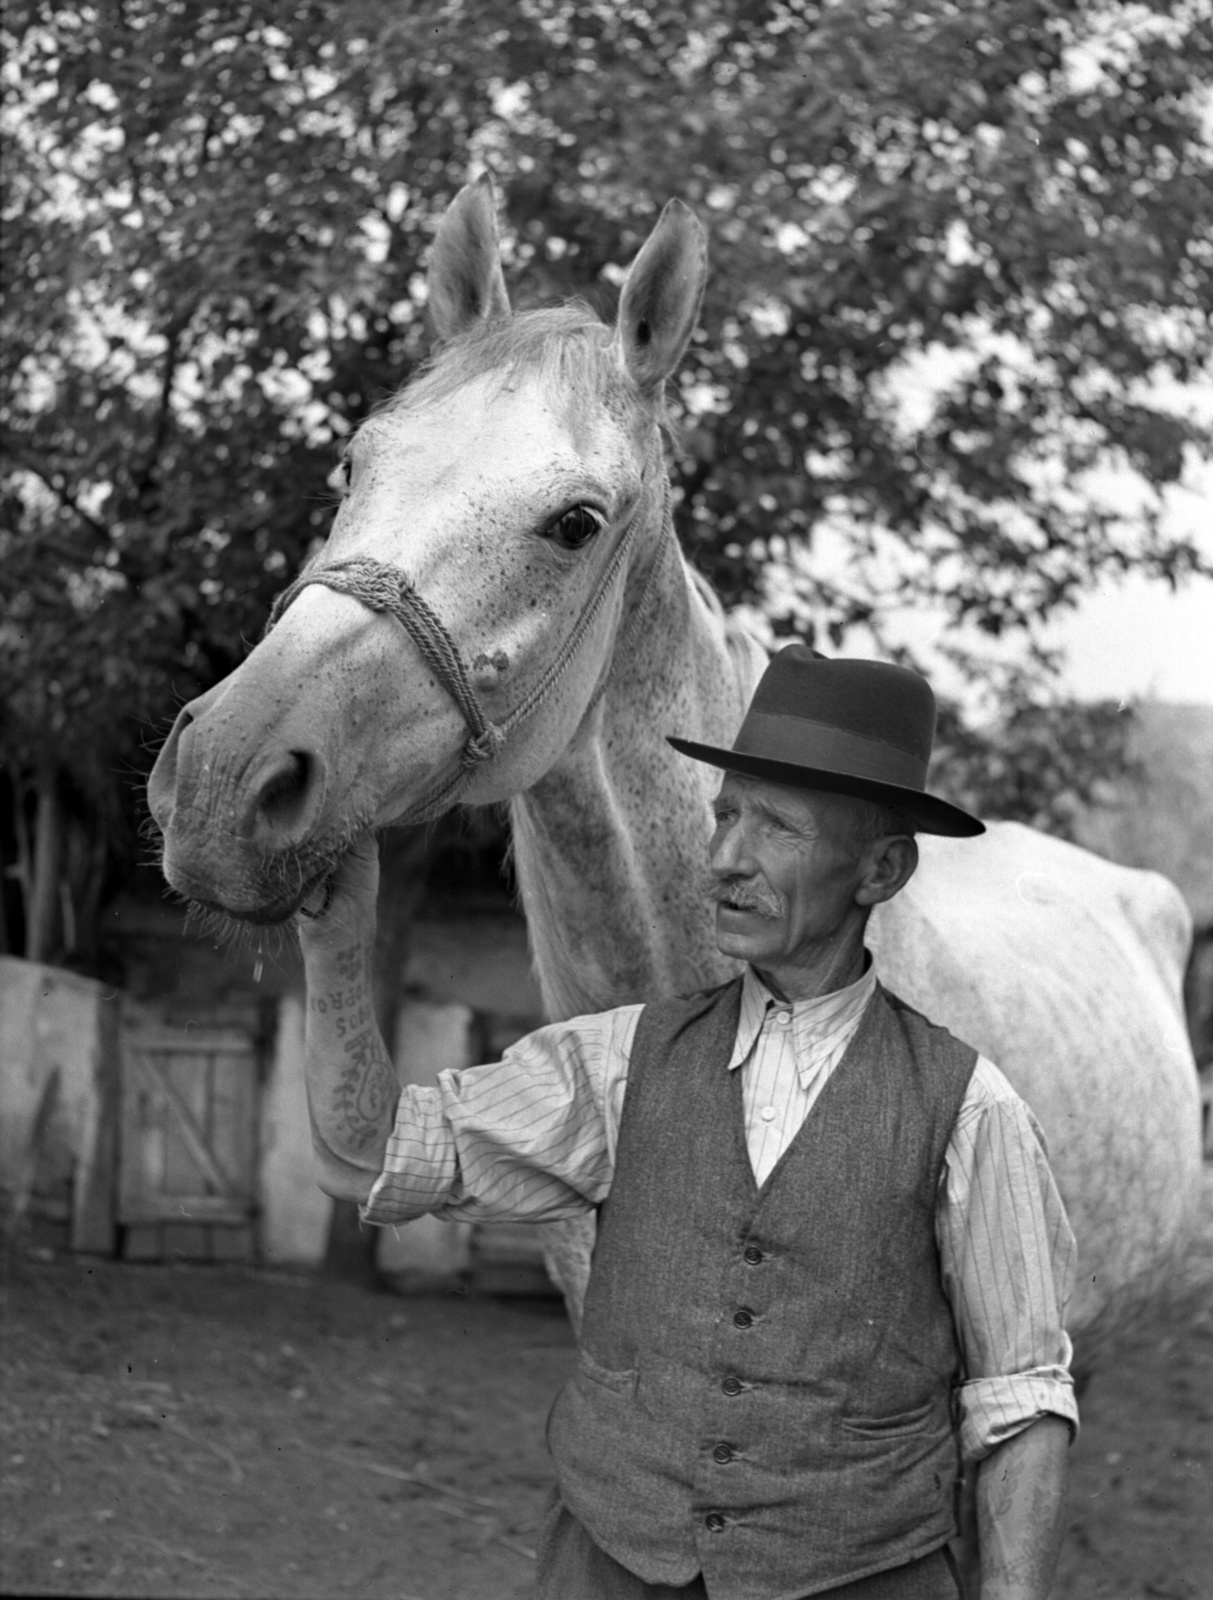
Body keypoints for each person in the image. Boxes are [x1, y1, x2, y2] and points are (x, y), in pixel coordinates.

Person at [298, 645, 1077, 1600]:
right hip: (606, 1567)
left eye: (776, 827)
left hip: (862, 1577)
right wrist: (336, 950)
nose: (722, 859)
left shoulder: (972, 1109)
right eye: (723, 814)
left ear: (881, 869)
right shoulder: (619, 1060)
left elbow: (1021, 1405)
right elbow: (364, 1155)